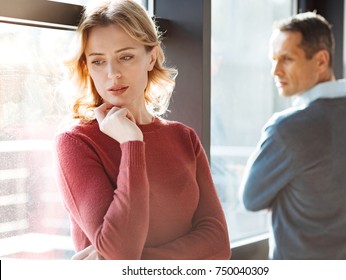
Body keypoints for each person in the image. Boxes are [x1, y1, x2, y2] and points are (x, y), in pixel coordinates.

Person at [54, 0, 230, 260]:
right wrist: (131, 144)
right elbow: (121, 253)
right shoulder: (75, 141)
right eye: (98, 61)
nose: (112, 74)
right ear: (87, 67)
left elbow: (218, 243)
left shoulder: (184, 137)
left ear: (151, 57)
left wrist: (140, 262)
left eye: (125, 57)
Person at [240, 12, 346, 260]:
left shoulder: (286, 129)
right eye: (273, 59)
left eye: (286, 59)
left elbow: (251, 199)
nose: (275, 70)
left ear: (320, 61)